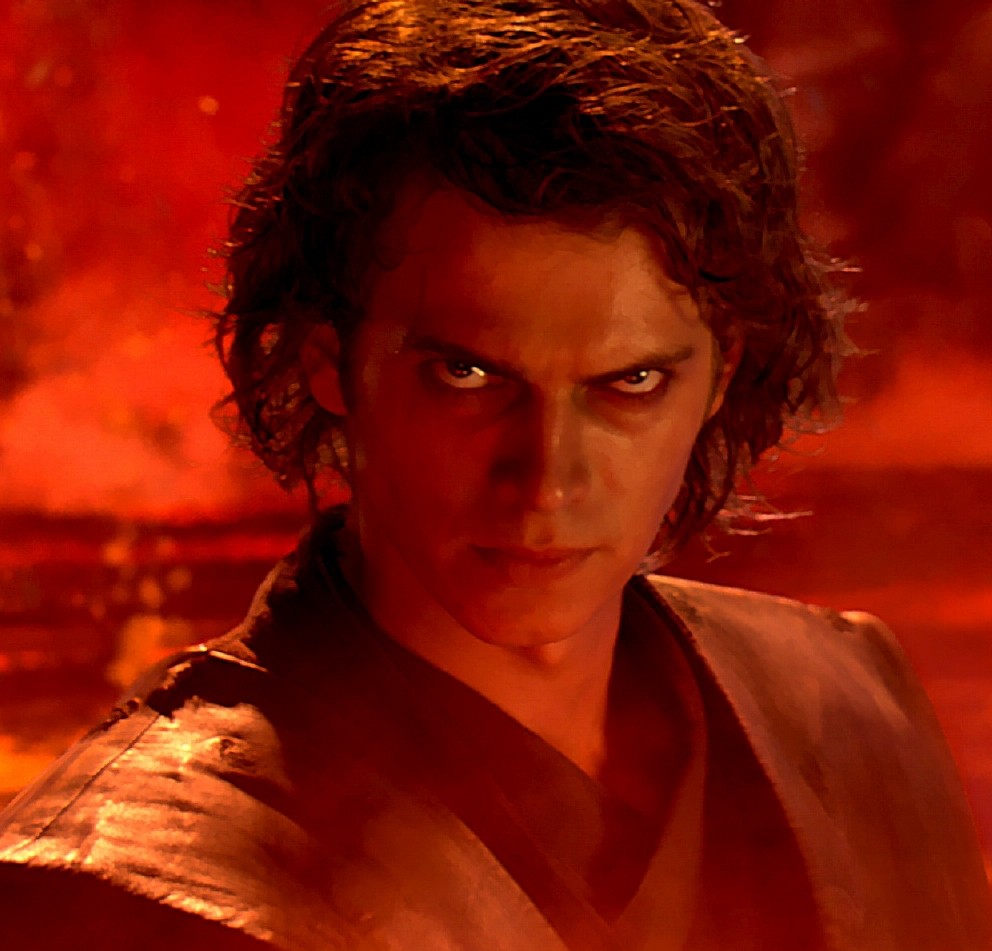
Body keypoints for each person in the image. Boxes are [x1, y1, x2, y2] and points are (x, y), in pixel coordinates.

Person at [1, 1, 989, 948]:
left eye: (629, 383)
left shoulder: (848, 714)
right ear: (327, 360)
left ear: (719, 374)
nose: (547, 479)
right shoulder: (122, 887)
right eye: (469, 376)